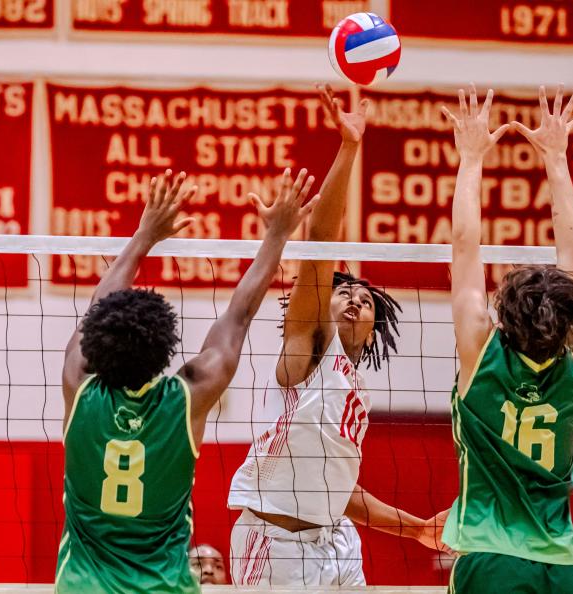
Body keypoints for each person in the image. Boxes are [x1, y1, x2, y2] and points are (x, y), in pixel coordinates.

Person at [56, 167, 320, 593]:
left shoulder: (80, 387)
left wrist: (144, 235)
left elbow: (96, 309)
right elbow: (239, 316)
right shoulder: (186, 397)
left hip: (83, 586)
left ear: (98, 341)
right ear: (163, 348)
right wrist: (277, 235)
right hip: (165, 586)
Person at [227, 84, 440, 587]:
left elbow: (338, 492)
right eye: (345, 293)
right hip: (274, 545)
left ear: (372, 331)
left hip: (336, 540)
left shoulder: (355, 392)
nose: (356, 299)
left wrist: (417, 530)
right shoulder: (307, 352)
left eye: (367, 300)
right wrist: (348, 147)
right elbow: (321, 244)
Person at [436, 84, 573, 593]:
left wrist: (470, 158)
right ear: (572, 318)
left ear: (503, 312)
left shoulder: (480, 350)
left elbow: (465, 245)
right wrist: (557, 159)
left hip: (492, 558)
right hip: (566, 564)